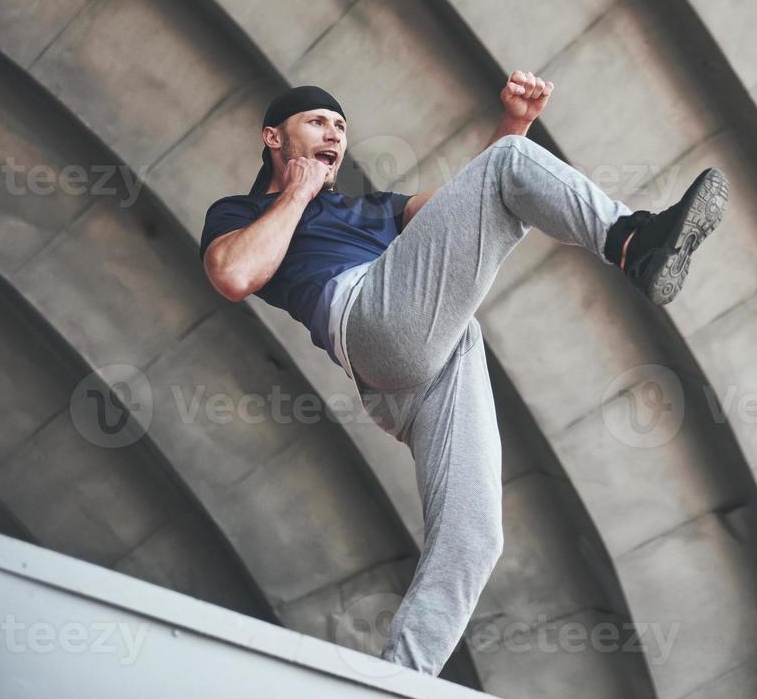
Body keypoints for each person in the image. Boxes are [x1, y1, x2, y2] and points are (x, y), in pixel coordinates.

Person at [198, 75, 728, 676]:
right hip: (369, 323)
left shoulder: (371, 209)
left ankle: (400, 679)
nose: (334, 135)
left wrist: (516, 125)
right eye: (318, 123)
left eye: (341, 128)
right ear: (273, 137)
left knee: (475, 539)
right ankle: (632, 241)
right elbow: (234, 276)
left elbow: (476, 201)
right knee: (508, 165)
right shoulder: (239, 213)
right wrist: (294, 195)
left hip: (420, 370)